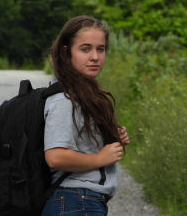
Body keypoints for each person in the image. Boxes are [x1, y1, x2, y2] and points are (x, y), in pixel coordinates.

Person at [42, 16, 130, 216]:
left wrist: (107, 138)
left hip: (79, 201)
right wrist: (100, 157)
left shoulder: (81, 93)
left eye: (100, 49)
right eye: (85, 49)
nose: (95, 57)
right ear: (67, 52)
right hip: (76, 200)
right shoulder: (65, 99)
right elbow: (55, 156)